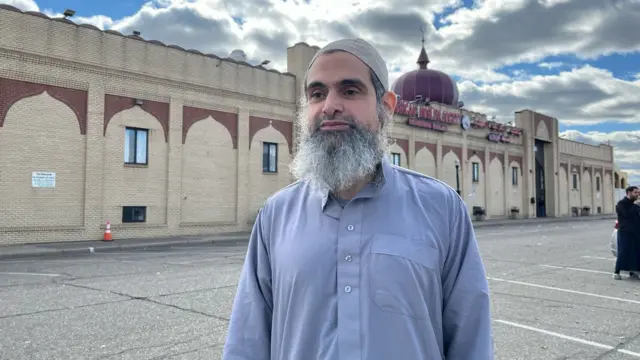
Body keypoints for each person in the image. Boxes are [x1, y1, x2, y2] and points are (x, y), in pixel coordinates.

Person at [222, 38, 494, 360]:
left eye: (350, 91)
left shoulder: (441, 208)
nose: (329, 106)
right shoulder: (277, 214)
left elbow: (470, 341)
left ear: (387, 107)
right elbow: (248, 341)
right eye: (317, 94)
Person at [613, 185, 640, 280]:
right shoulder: (621, 204)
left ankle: (632, 272)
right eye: (635, 192)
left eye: (638, 192)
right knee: (624, 251)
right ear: (629, 193)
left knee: (634, 251)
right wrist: (635, 205)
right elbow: (627, 214)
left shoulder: (636, 205)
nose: (637, 194)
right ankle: (616, 272)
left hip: (636, 232)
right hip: (625, 232)